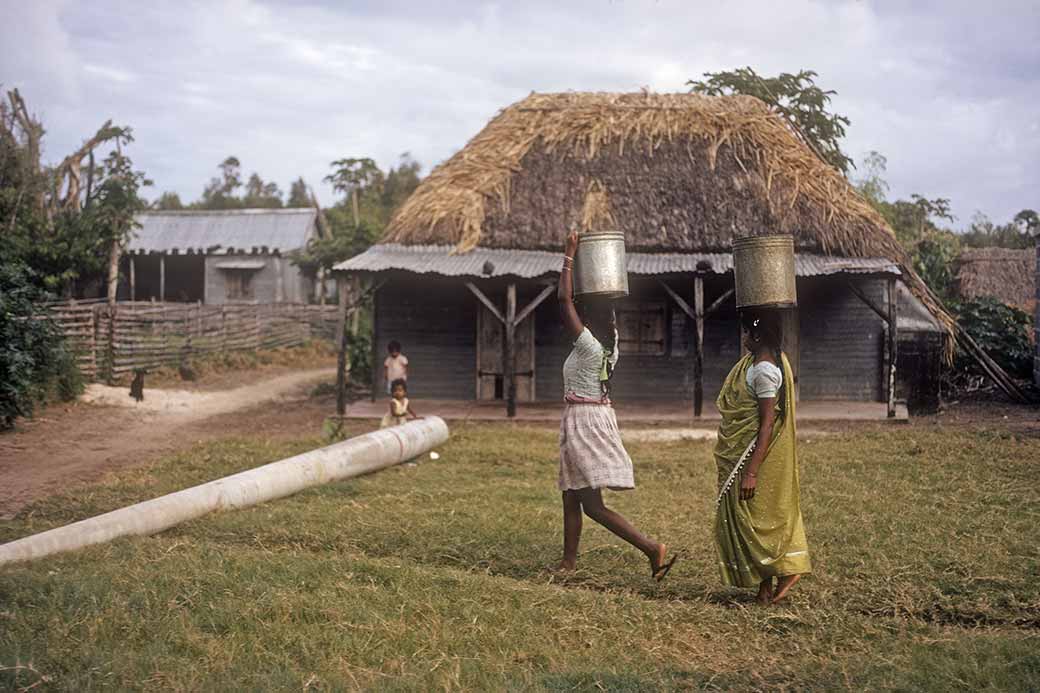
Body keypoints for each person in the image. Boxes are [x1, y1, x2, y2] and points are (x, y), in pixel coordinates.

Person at [555, 229, 677, 580]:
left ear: (587, 318)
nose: (575, 316)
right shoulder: (612, 343)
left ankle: (652, 548)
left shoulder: (590, 346)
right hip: (590, 417)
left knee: (591, 504)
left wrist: (568, 256)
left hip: (585, 420)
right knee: (570, 494)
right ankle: (568, 563)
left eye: (582, 312)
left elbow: (563, 302)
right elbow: (572, 306)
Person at [713, 309, 811, 605]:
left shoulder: (765, 371)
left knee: (749, 518)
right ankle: (765, 589)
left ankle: (785, 572)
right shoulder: (753, 365)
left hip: (751, 456)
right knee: (752, 516)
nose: (743, 338)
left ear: (756, 335)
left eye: (746, 332)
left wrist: (752, 471)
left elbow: (767, 422)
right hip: (745, 454)